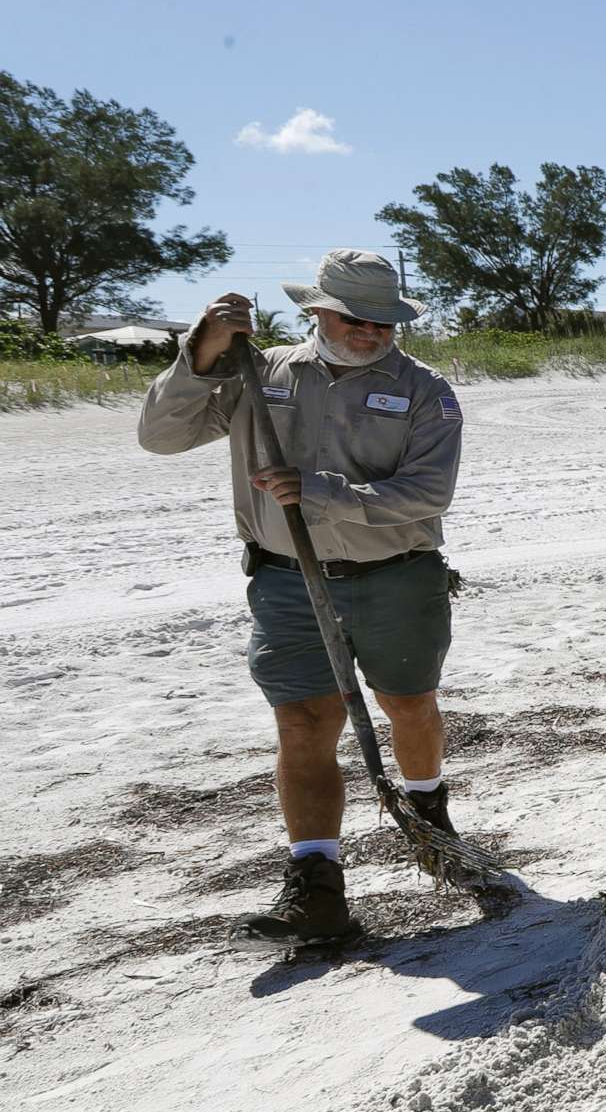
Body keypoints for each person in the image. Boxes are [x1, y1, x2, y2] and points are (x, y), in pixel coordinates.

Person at [137, 250, 467, 945]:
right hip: (286, 578)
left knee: (409, 704)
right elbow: (161, 438)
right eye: (354, 317)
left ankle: (427, 810)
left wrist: (320, 490)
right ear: (317, 311)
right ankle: (317, 888)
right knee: (304, 724)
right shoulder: (261, 374)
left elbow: (429, 494)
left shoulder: (425, 390)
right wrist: (200, 353)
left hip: (398, 575)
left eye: (384, 319)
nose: (371, 331)